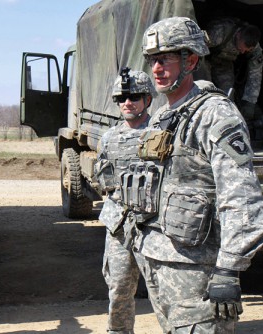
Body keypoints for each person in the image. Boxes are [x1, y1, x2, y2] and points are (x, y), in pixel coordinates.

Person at [121, 16, 263, 333]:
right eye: (152, 60)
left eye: (167, 59)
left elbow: (241, 197)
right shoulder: (162, 116)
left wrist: (229, 269)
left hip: (197, 277)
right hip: (160, 268)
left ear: (192, 60)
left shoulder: (216, 114)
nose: (157, 69)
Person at [95, 67, 158, 334]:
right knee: (119, 287)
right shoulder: (109, 138)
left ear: (148, 100)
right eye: (122, 98)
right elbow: (104, 181)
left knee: (163, 292)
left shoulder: (160, 133)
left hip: (155, 226)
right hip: (119, 227)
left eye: (134, 97)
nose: (127, 103)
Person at [205, 17, 263, 119]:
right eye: (242, 48)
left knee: (228, 96)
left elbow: (256, 74)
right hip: (204, 59)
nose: (242, 52)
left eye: (246, 51)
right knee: (205, 88)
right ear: (238, 35)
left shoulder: (255, 48)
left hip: (224, 63)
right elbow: (196, 49)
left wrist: (250, 102)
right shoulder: (220, 32)